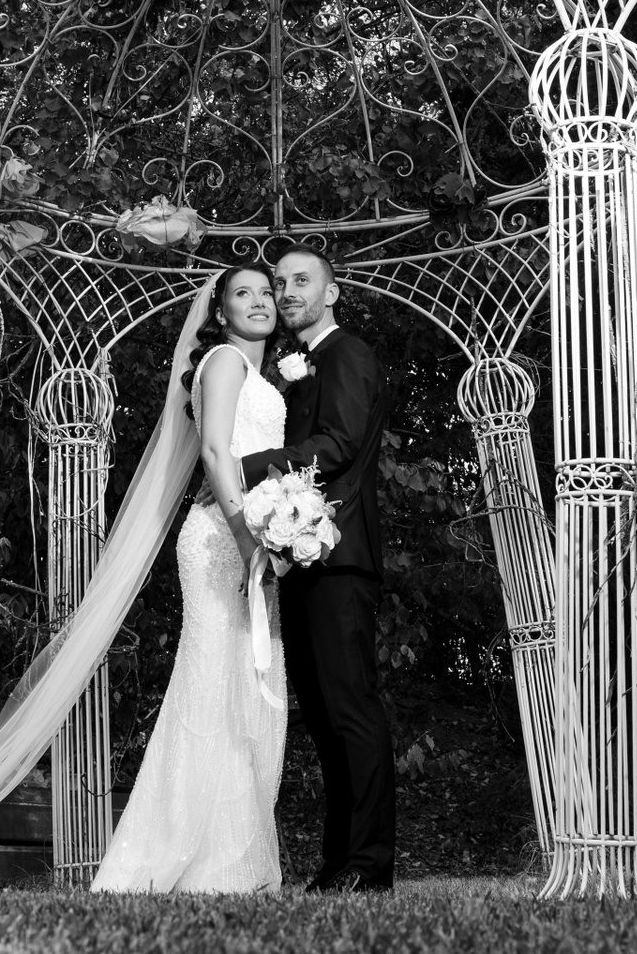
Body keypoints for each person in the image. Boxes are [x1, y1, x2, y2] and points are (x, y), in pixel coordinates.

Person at [91, 264, 288, 893]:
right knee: (213, 689)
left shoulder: (257, 371)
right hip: (224, 540)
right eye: (242, 294)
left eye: (267, 293)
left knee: (245, 688)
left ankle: (231, 859)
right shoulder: (225, 361)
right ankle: (181, 856)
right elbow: (215, 452)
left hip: (254, 533)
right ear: (220, 313)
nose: (259, 302)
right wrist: (248, 539)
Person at [240, 244, 395, 893]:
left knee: (351, 711)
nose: (287, 292)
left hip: (340, 557)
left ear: (331, 293)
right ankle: (339, 862)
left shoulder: (348, 353)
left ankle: (368, 864)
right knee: (327, 719)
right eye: (280, 282)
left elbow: (337, 445)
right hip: (302, 558)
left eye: (302, 281)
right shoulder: (301, 364)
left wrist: (241, 467)